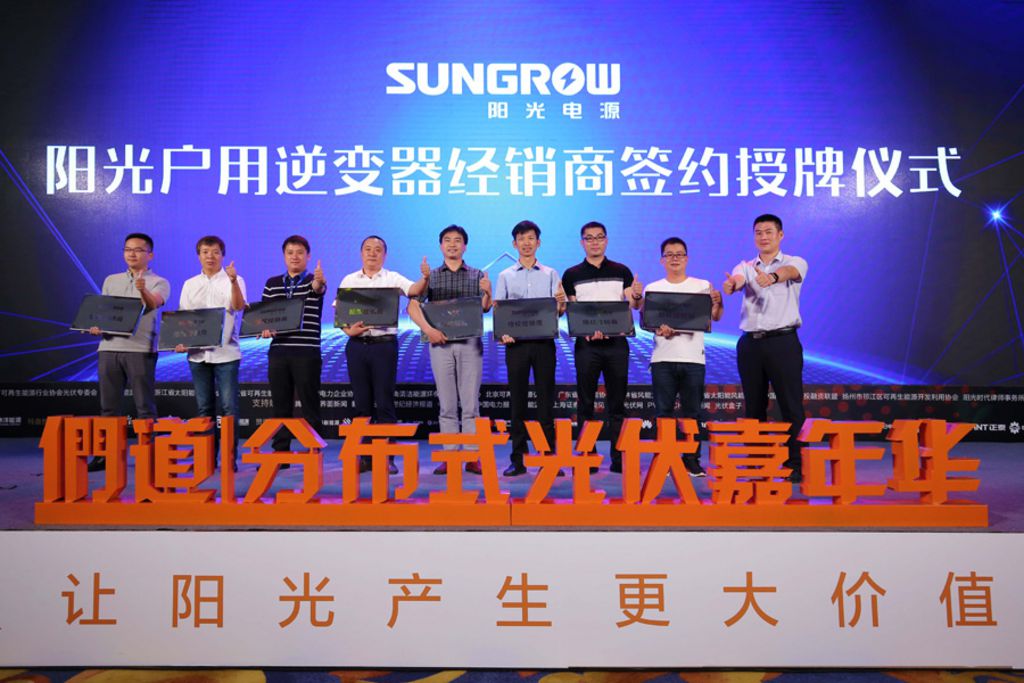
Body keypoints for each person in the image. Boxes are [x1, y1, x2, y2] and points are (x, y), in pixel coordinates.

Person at [722, 214, 808, 483]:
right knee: (754, 406)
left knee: (790, 405)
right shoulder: (746, 266)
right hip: (750, 344)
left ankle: (795, 464)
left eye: (769, 231)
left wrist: (772, 277)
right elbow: (737, 279)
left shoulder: (795, 261)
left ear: (780, 235)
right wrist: (732, 285)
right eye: (758, 232)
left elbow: (790, 273)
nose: (763, 236)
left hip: (783, 342)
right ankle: (758, 463)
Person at [407, 225, 492, 475]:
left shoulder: (477, 274)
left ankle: (472, 456)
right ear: (441, 246)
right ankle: (450, 455)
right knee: (446, 404)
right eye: (447, 240)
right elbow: (412, 306)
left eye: (457, 240)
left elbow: (484, 307)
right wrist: (428, 330)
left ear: (465, 246)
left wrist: (488, 292)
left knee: (470, 404)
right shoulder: (431, 276)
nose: (452, 244)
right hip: (440, 344)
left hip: (470, 344)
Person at [339, 235, 426, 474]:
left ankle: (387, 456)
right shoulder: (349, 279)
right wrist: (348, 331)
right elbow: (341, 315)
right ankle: (365, 456)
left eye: (377, 250)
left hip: (384, 346)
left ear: (384, 255)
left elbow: (414, 290)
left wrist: (425, 277)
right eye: (368, 249)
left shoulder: (392, 278)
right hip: (356, 346)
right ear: (361, 253)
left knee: (385, 401)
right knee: (362, 404)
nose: (372, 253)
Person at [560, 221, 642, 474]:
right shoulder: (571, 274)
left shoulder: (622, 271)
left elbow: (632, 305)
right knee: (585, 402)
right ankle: (587, 455)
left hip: (617, 344)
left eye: (599, 237)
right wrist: (585, 329)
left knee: (617, 403)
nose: (594, 242)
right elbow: (572, 311)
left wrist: (637, 295)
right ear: (582, 242)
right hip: (587, 346)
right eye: (589, 238)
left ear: (606, 240)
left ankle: (619, 457)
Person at [87, 232, 171, 472]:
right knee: (108, 407)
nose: (132, 254)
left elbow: (153, 304)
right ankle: (106, 455)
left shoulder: (159, 282)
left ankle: (149, 454)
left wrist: (142, 289)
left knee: (144, 407)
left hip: (140, 349)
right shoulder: (111, 280)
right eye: (127, 249)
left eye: (138, 250)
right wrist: (95, 325)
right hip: (108, 348)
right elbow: (104, 311)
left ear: (150, 255)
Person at [644, 237, 723, 477]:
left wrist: (718, 302)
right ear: (662, 260)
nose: (674, 258)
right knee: (663, 414)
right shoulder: (653, 288)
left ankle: (691, 460)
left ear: (687, 258)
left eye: (679, 254)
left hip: (693, 359)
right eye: (669, 254)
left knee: (692, 414)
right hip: (662, 359)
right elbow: (647, 323)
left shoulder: (702, 285)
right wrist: (659, 329)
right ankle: (665, 459)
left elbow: (714, 317)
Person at [494, 220, 566, 477]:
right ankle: (518, 459)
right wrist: (503, 334)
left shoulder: (551, 274)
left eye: (531, 238)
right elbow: (500, 312)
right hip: (516, 347)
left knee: (546, 402)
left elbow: (558, 312)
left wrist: (561, 304)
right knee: (518, 403)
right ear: (514, 244)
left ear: (538, 242)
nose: (526, 243)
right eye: (521, 238)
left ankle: (548, 457)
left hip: (544, 344)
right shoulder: (505, 275)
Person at [177, 235, 247, 471]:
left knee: (229, 408)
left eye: (216, 252)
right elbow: (184, 318)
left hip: (226, 354)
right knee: (204, 409)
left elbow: (238, 306)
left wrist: (233, 281)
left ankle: (229, 459)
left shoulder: (234, 280)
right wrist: (180, 341)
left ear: (222, 255)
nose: (210, 256)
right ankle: (206, 459)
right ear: (199, 255)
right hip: (198, 356)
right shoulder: (189, 284)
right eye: (205, 252)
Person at [259, 235, 326, 464]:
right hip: (278, 352)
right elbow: (265, 316)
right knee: (280, 405)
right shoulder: (272, 283)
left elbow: (318, 289)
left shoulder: (313, 280)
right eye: (290, 252)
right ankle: (281, 453)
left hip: (307, 352)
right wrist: (264, 328)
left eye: (299, 252)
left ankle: (314, 451)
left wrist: (319, 281)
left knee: (310, 404)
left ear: (308, 256)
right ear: (284, 256)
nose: (294, 256)